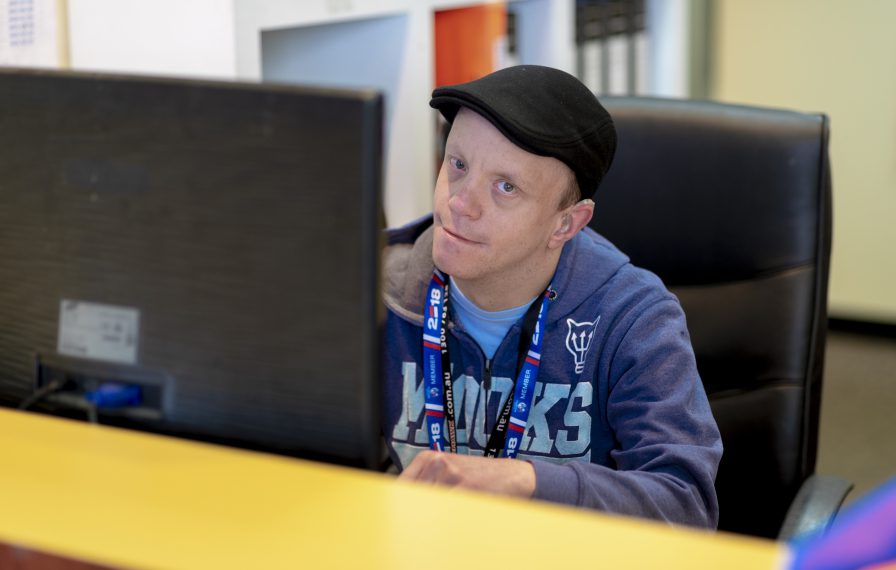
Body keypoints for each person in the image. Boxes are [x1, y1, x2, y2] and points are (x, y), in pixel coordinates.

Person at [381, 65, 722, 528]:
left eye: (506, 187)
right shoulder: (374, 292)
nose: (459, 203)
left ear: (566, 224)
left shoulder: (634, 319)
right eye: (457, 165)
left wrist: (525, 481)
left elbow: (685, 504)